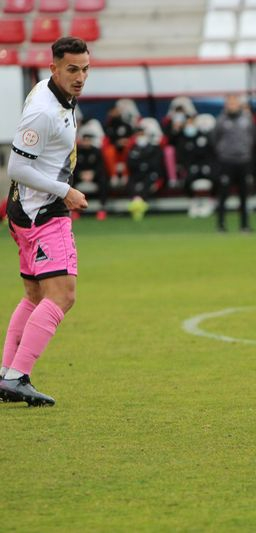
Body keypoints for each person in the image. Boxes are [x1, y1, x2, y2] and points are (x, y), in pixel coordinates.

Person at [0, 37, 90, 406]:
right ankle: (19, 376)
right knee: (63, 296)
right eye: (72, 69)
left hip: (26, 209)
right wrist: (64, 191)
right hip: (44, 212)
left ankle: (7, 374)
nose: (80, 77)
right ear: (54, 68)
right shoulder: (43, 110)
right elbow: (16, 166)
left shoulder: (55, 93)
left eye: (85, 68)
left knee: (35, 295)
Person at [215, 94, 256, 232]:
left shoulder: (247, 119)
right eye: (229, 103)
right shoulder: (221, 120)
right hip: (226, 162)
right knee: (223, 194)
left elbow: (252, 136)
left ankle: (244, 225)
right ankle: (221, 225)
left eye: (234, 103)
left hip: (243, 161)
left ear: (238, 104)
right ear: (226, 105)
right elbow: (215, 138)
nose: (232, 106)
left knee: (244, 196)